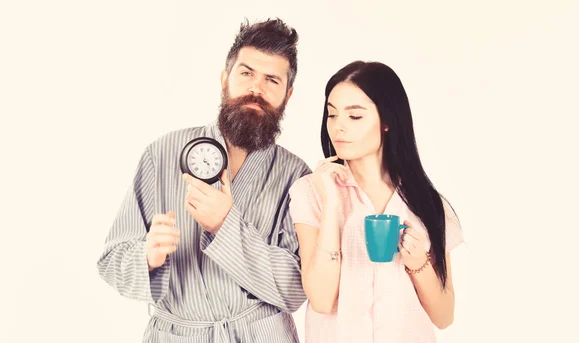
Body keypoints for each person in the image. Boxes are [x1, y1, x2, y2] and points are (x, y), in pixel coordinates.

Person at [97, 18, 311, 343]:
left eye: (272, 80)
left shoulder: (297, 176)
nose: (256, 88)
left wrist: (225, 226)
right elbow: (112, 260)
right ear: (225, 78)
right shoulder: (164, 153)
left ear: (288, 94)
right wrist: (147, 256)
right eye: (246, 73)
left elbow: (297, 289)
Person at [288, 61, 464, 342]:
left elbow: (444, 316)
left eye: (354, 117)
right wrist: (332, 204)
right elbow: (321, 300)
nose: (338, 128)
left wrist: (418, 263)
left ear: (386, 122)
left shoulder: (426, 202)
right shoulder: (310, 192)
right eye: (332, 115)